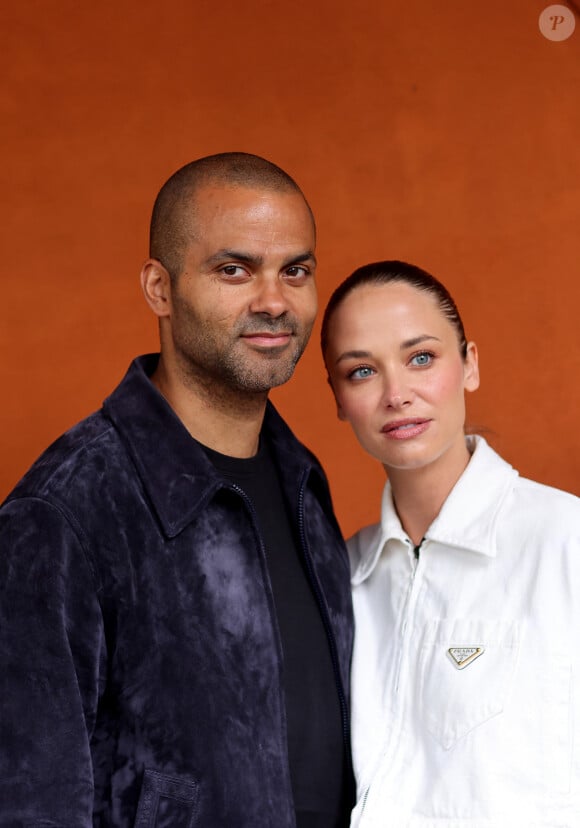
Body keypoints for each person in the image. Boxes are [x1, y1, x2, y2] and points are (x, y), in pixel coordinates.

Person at [0, 152, 354, 827]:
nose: (274, 301)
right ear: (159, 289)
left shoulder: (305, 484)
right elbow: (28, 803)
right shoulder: (65, 512)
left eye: (296, 271)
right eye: (234, 270)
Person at [321, 260, 580, 826]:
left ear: (469, 365)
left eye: (421, 358)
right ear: (338, 398)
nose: (397, 394)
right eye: (362, 371)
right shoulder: (339, 579)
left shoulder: (566, 543)